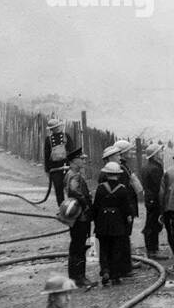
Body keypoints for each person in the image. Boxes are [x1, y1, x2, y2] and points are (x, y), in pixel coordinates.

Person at [92, 161, 136, 286]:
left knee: (104, 248)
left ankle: (105, 270)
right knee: (116, 249)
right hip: (117, 223)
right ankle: (116, 275)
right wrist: (127, 219)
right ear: (117, 175)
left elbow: (96, 207)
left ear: (106, 174)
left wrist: (96, 221)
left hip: (103, 222)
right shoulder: (122, 189)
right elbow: (126, 209)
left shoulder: (100, 188)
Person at [63, 148, 94, 288]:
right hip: (80, 215)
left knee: (76, 246)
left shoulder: (69, 173)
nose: (83, 160)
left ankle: (75, 276)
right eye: (81, 158)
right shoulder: (75, 175)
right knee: (79, 246)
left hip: (75, 214)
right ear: (74, 161)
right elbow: (74, 191)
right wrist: (86, 203)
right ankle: (79, 277)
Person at [138, 144, 165, 259]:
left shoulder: (146, 166)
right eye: (160, 152)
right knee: (153, 224)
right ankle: (152, 251)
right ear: (155, 155)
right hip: (155, 199)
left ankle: (152, 249)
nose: (162, 154)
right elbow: (158, 187)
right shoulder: (155, 168)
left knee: (151, 222)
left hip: (149, 198)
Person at [42, 116, 69, 203]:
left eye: (57, 127)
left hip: (67, 167)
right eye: (54, 128)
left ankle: (72, 209)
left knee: (71, 189)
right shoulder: (48, 140)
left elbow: (72, 151)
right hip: (55, 169)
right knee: (58, 189)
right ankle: (62, 209)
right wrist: (47, 170)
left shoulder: (66, 136)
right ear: (51, 129)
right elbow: (46, 155)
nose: (57, 129)